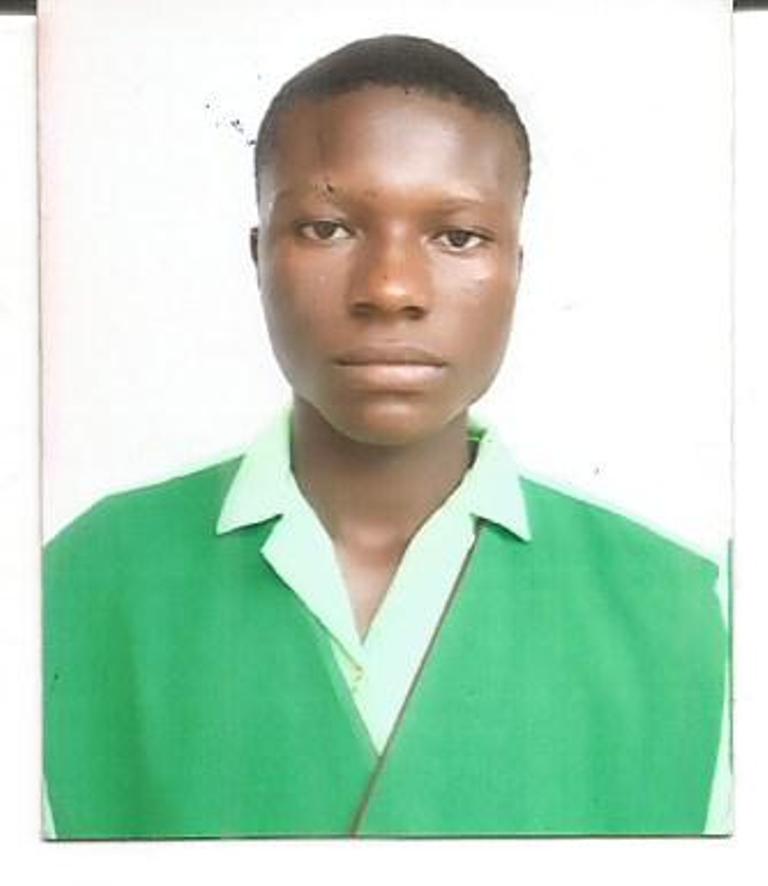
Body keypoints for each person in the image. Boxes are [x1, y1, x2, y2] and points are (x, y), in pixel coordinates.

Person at [43, 34, 728, 839]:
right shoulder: (72, 585)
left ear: (516, 266)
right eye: (328, 228)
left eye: (458, 236)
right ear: (259, 257)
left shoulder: (687, 616)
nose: (392, 288)